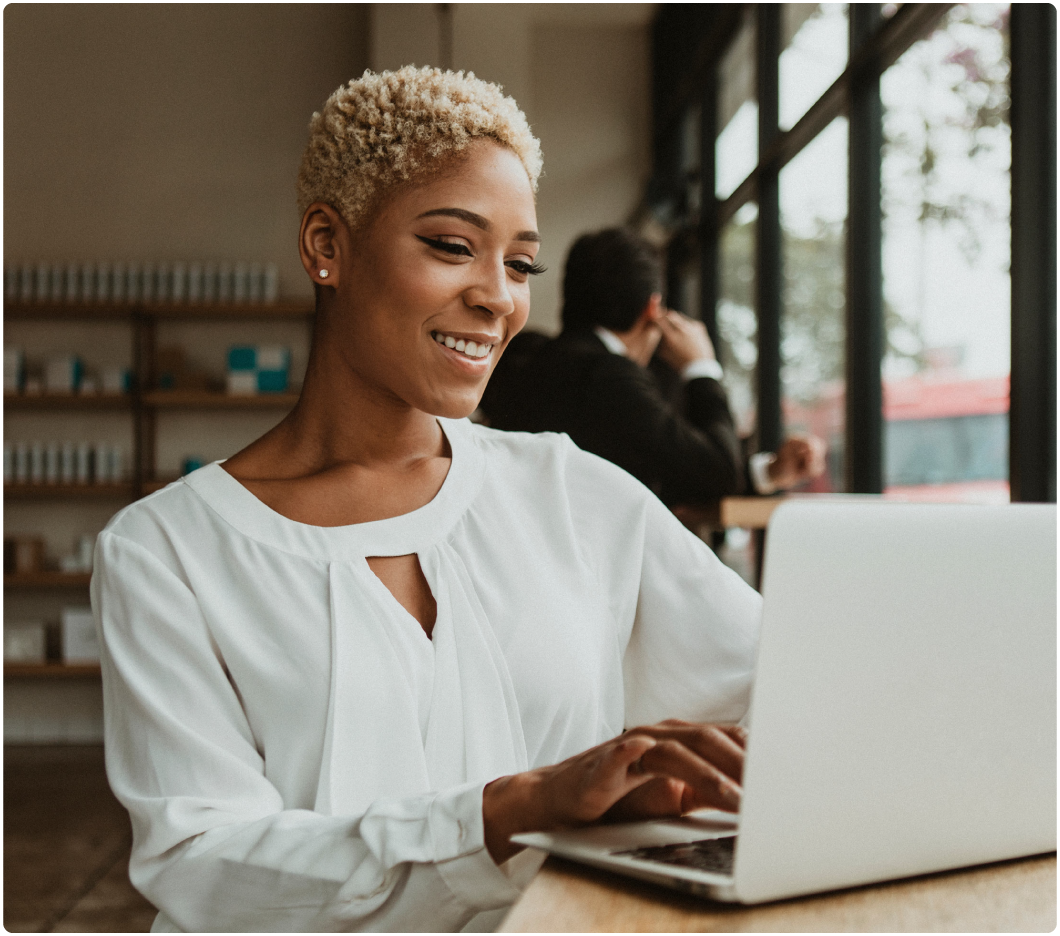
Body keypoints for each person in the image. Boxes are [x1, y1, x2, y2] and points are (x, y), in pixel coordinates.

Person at [91, 67, 761, 933]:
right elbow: (205, 867)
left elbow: (780, 688)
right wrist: (504, 811)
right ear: (326, 245)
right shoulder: (166, 551)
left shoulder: (573, 493)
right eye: (452, 246)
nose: (498, 297)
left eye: (521, 263)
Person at [481, 228, 826, 508]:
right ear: (653, 307)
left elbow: (670, 469)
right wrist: (701, 368)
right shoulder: (610, 376)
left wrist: (769, 473)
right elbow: (717, 470)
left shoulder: (522, 359)